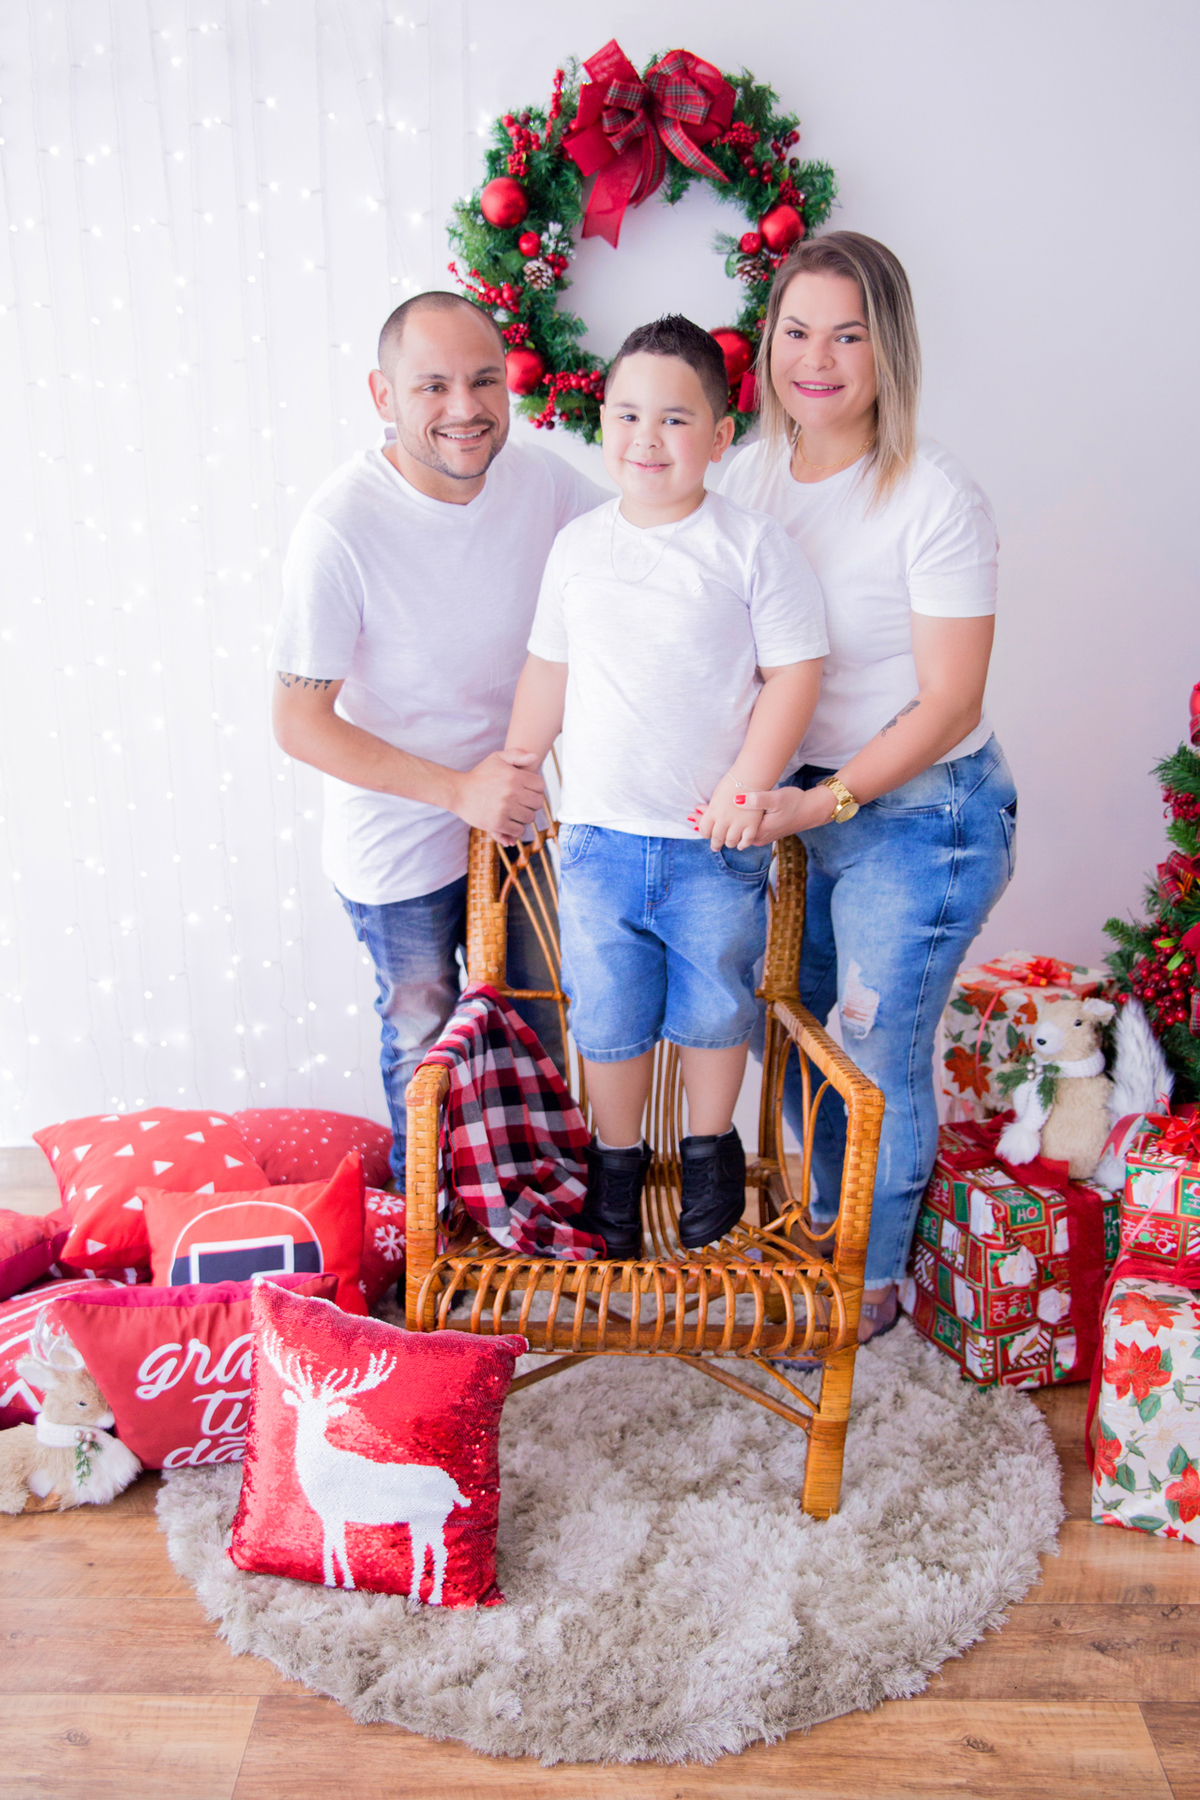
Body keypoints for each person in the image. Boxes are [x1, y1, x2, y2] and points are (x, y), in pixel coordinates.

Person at [720, 231, 1017, 1340]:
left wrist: (822, 801)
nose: (818, 359)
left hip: (922, 813)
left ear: (888, 350)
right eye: (797, 331)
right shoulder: (745, 476)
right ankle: (822, 1224)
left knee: (873, 1048)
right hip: (796, 807)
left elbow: (950, 700)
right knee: (793, 1033)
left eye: (848, 336)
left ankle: (868, 1283)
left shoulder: (932, 493)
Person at [505, 316, 828, 1258]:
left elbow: (796, 674)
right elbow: (549, 668)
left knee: (715, 1004)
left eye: (675, 419)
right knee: (608, 1013)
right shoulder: (578, 547)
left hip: (711, 842)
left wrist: (747, 784)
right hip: (598, 839)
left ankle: (708, 1153)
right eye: (628, 415)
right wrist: (519, 760)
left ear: (721, 437)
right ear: (602, 423)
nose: (647, 438)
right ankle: (616, 1162)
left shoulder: (750, 545)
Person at [271, 291, 605, 1193]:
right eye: (433, 386)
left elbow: (637, 548)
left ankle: (538, 1213)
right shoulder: (339, 527)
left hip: (518, 811)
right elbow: (297, 722)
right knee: (424, 1030)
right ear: (382, 395)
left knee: (538, 1019)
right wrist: (459, 792)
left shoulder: (542, 484)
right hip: (397, 833)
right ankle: (431, 1224)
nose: (466, 407)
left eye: (485, 380)